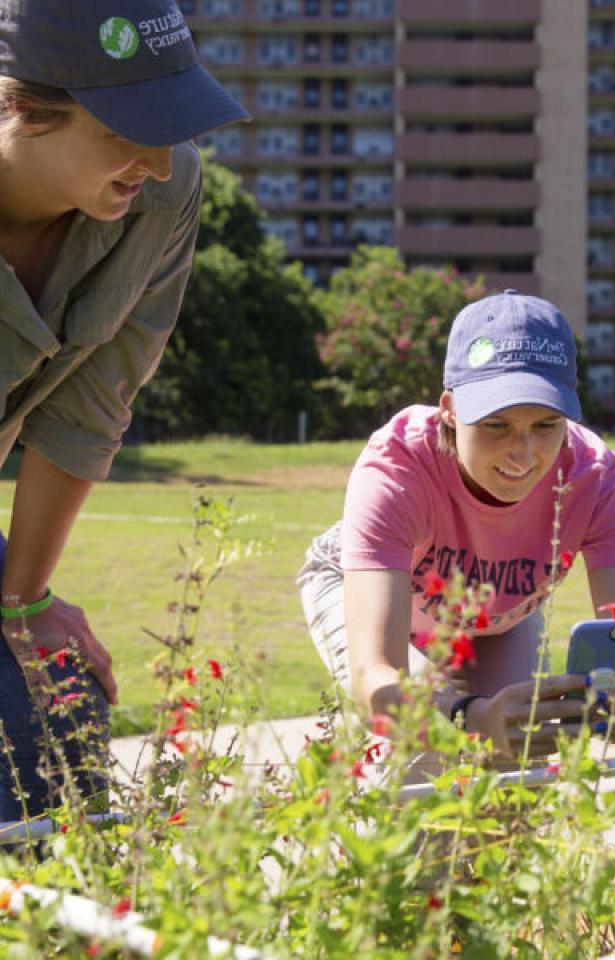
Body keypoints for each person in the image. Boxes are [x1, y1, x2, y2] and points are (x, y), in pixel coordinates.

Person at [0, 0, 249, 821]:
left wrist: (24, 600)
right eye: (123, 130)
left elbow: (92, 402)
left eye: (170, 119)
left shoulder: (164, 191)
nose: (158, 158)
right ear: (21, 106)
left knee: (56, 702)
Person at [299, 290, 615, 760]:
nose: (525, 453)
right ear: (450, 409)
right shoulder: (396, 471)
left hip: (497, 617)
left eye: (546, 425)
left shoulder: (595, 480)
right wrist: (469, 716)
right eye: (497, 425)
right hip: (363, 587)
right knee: (416, 760)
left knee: (519, 764)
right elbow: (376, 678)